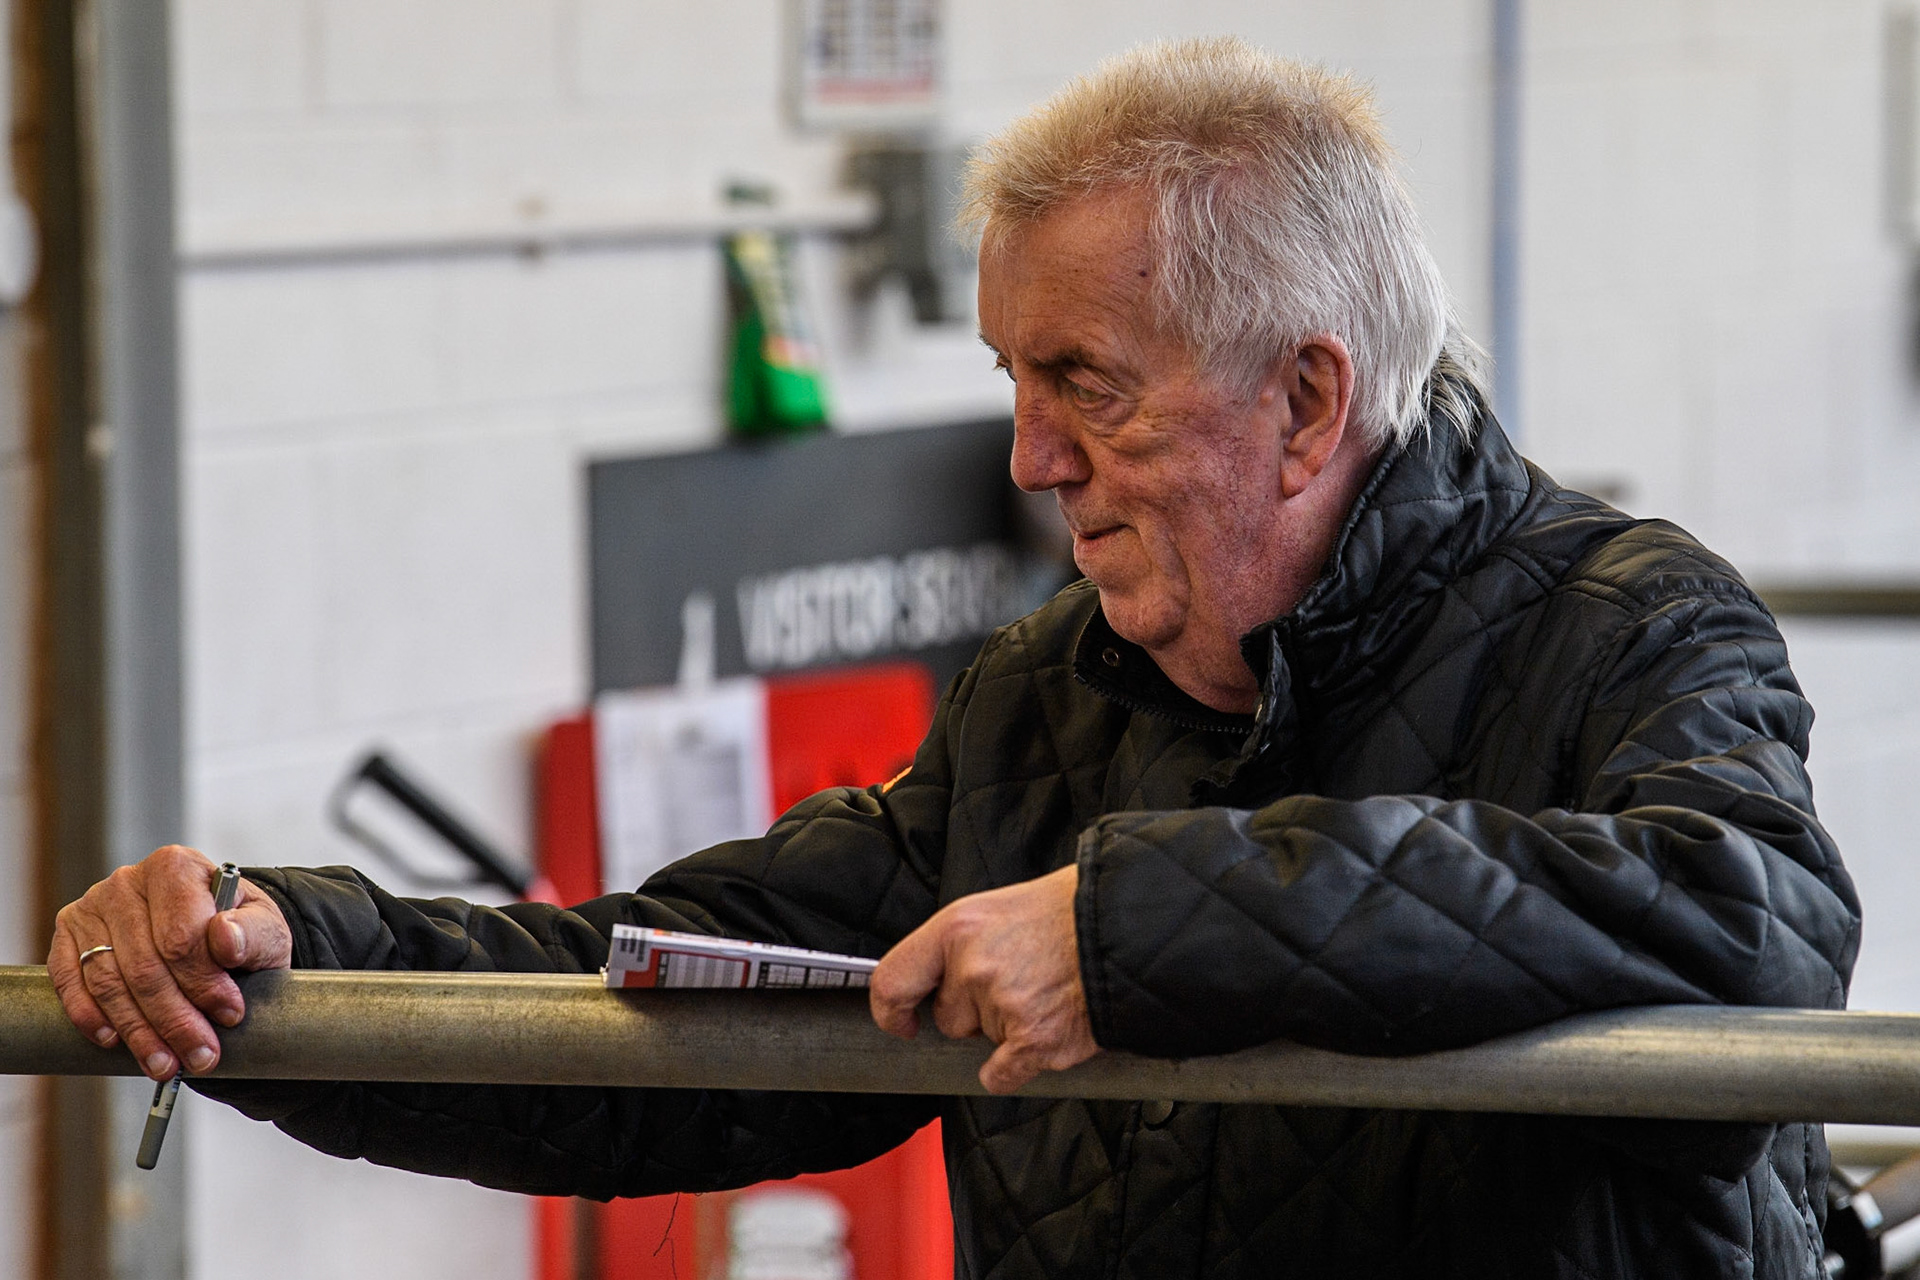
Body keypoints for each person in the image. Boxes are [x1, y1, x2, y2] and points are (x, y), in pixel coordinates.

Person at [49, 37, 1858, 1279]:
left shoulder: (1627, 624)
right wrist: (290, 960)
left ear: (1305, 400)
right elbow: (662, 997)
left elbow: (1752, 915)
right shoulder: (1043, 705)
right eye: (1013, 378)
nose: (1030, 458)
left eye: (1088, 384)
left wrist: (1131, 935)